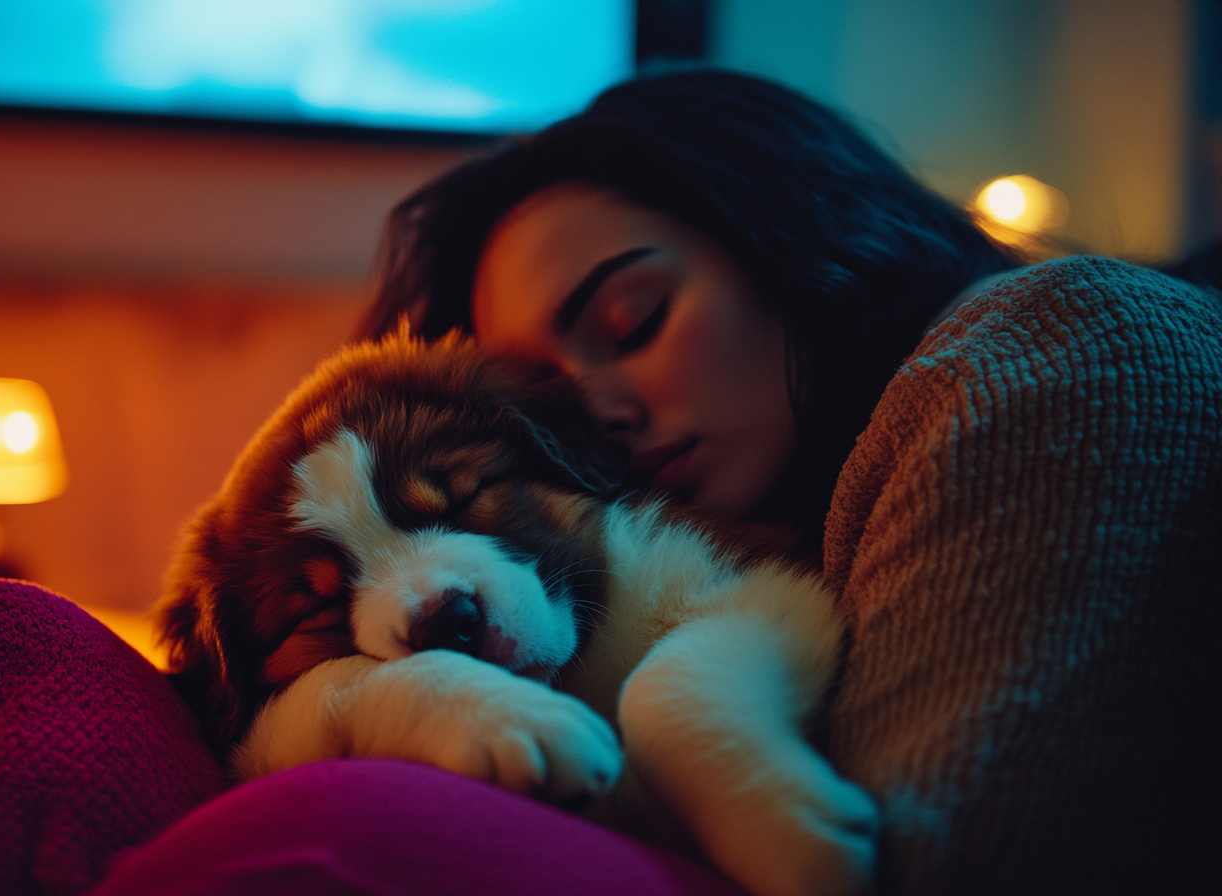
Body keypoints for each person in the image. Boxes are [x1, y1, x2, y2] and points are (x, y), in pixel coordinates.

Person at [358, 69, 1222, 894]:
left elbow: (952, 868)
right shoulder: (778, 549)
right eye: (547, 405)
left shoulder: (1058, 343)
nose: (595, 418)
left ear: (794, 232)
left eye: (634, 321)